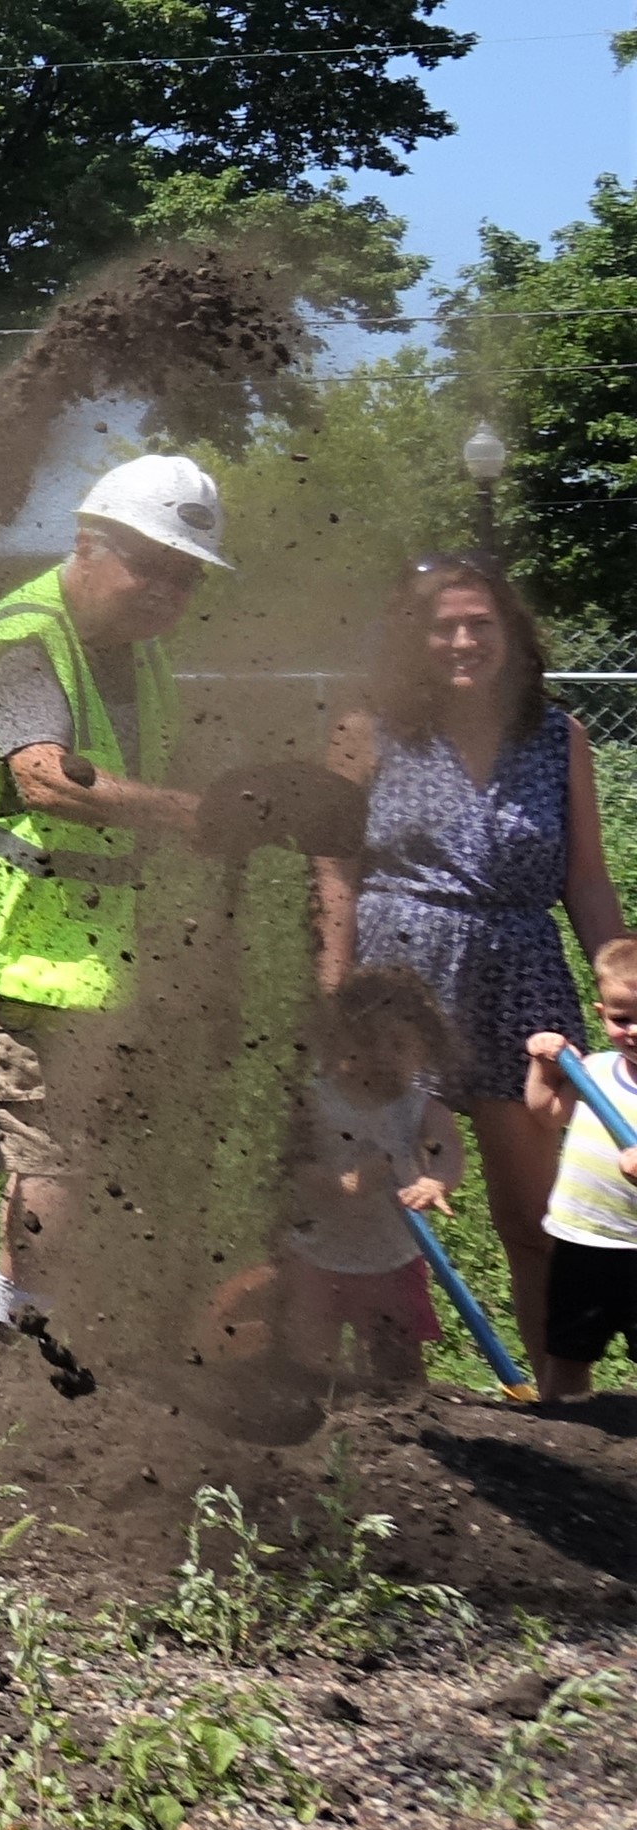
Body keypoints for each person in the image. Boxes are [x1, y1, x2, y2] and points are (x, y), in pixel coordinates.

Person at [0, 451, 232, 1339]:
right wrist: (197, 815)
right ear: (89, 543)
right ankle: (25, 1341)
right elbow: (44, 779)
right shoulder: (24, 636)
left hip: (73, 946)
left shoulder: (139, 656)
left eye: (186, 578)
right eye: (151, 565)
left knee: (95, 1143)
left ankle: (48, 1323)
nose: (166, 592)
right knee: (50, 1154)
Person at [314, 553, 622, 1371]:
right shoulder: (367, 728)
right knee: (373, 1196)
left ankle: (563, 1402)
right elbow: (335, 866)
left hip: (522, 979)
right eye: (441, 626)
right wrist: (334, 989)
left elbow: (585, 877)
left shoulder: (560, 737)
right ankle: (376, 1408)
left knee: (537, 1217)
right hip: (398, 985)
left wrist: (619, 970)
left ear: (511, 635)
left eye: (479, 624)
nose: (461, 641)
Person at [248, 967, 466, 1383]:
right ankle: (310, 1417)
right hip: (318, 1253)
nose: (381, 1056)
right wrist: (341, 1184)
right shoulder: (316, 1102)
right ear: (337, 1041)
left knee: (398, 1362)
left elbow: (446, 1150)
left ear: (424, 1050)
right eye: (366, 1042)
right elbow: (290, 1163)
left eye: (398, 1045)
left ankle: (400, 1430)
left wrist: (435, 1180)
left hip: (391, 1258)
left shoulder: (422, 1110)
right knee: (308, 1356)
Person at [519, 936, 637, 1404]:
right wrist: (544, 1068)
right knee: (567, 1353)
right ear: (600, 1012)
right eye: (621, 1018)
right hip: (583, 1238)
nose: (633, 1031)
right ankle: (560, 1438)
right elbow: (547, 1113)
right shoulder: (596, 1070)